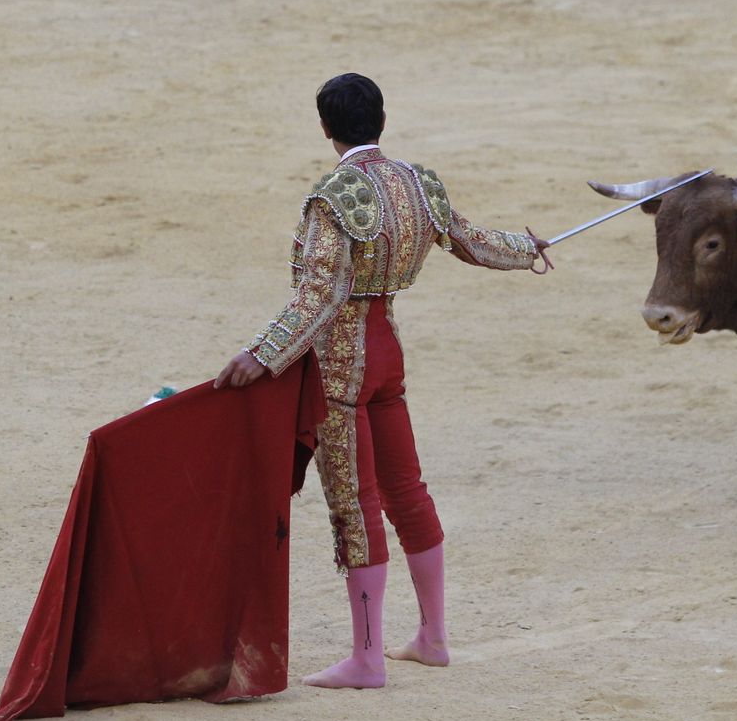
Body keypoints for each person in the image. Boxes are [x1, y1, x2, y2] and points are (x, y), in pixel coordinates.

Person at [215, 73, 551, 689]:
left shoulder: (333, 197)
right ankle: (433, 637)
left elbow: (318, 295)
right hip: (388, 351)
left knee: (357, 502)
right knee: (406, 489)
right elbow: (473, 243)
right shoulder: (418, 184)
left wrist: (261, 354)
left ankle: (368, 659)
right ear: (381, 121)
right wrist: (525, 247)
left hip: (344, 361)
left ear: (325, 128)